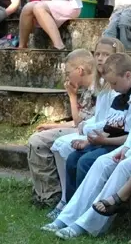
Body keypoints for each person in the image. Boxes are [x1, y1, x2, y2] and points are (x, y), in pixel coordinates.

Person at [44, 41, 131, 240]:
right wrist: (128, 146)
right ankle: (67, 217)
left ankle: (87, 223)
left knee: (123, 166)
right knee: (101, 162)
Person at [26, 48, 99, 207]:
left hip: (88, 134)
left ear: (79, 70)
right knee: (40, 136)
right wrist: (53, 126)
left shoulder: (97, 91)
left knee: (37, 142)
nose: (66, 77)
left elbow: (81, 124)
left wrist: (72, 97)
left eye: (67, 73)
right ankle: (43, 193)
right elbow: (79, 121)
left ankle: (50, 196)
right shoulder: (87, 89)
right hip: (80, 128)